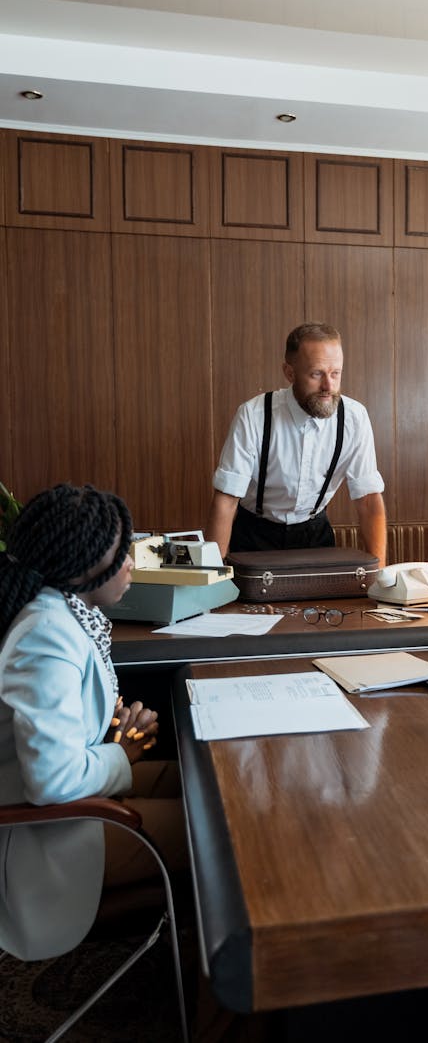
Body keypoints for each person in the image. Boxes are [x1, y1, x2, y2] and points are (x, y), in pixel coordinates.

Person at [0, 483, 186, 960]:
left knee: (200, 781)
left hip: (68, 808)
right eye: (121, 554)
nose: (130, 563)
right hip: (44, 839)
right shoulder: (44, 635)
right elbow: (51, 780)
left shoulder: (61, 612)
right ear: (83, 567)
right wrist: (122, 754)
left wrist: (109, 728)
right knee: (225, 836)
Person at [206, 321, 387, 565]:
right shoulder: (254, 415)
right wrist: (212, 580)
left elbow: (368, 501)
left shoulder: (354, 418)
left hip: (315, 535)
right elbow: (226, 501)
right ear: (289, 373)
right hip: (253, 536)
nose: (328, 386)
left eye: (336, 374)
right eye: (316, 374)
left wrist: (379, 574)